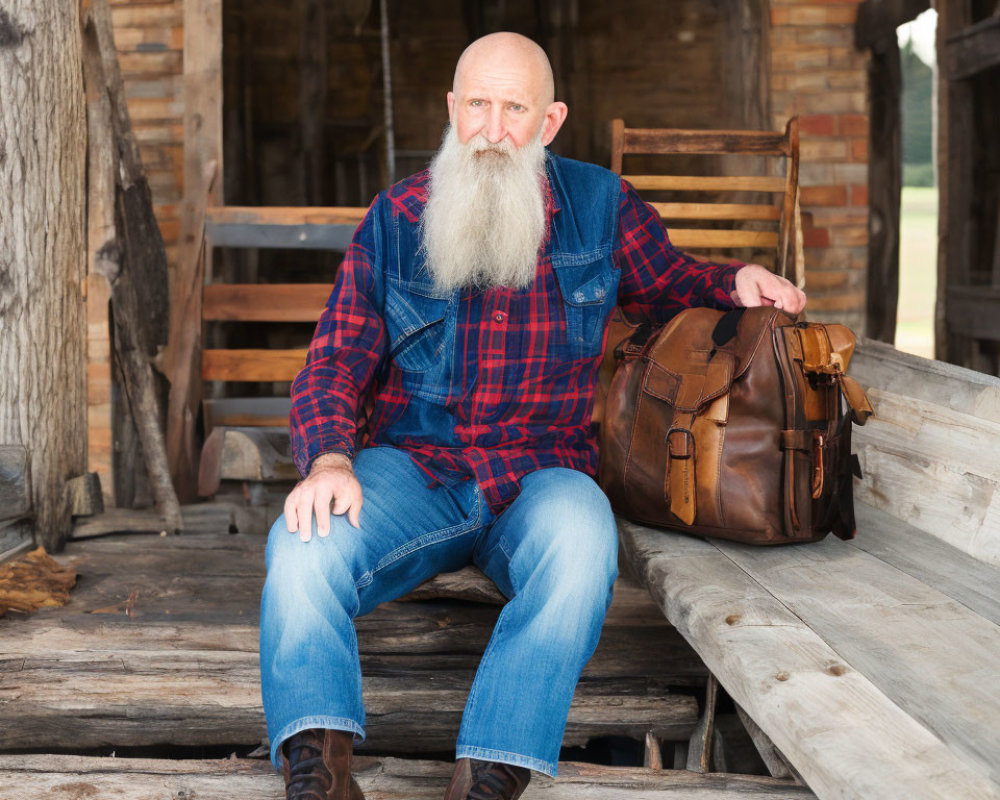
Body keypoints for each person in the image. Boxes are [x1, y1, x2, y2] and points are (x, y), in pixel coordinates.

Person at [260, 31, 807, 800]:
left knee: (585, 543)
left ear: (548, 122)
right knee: (300, 546)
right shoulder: (397, 217)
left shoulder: (600, 206)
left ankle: (488, 775)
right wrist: (326, 459)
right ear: (451, 110)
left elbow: (672, 282)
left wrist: (736, 279)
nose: (490, 130)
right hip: (411, 472)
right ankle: (320, 775)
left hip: (541, 476)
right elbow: (335, 360)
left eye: (512, 109)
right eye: (476, 105)